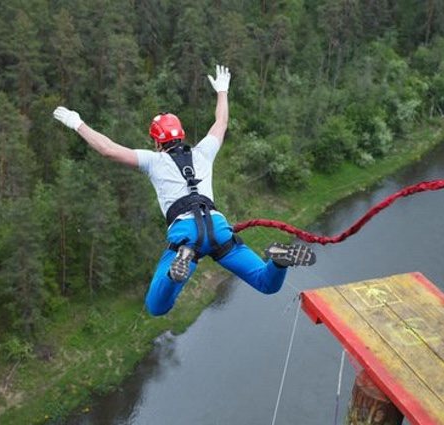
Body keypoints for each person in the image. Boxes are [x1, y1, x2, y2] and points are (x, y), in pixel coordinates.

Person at [53, 65, 315, 316]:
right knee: (266, 284)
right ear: (182, 134)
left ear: (157, 142)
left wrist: (77, 124)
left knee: (157, 306)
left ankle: (174, 270)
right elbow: (221, 122)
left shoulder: (154, 161)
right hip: (218, 227)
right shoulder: (203, 153)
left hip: (185, 234)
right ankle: (279, 261)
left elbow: (108, 149)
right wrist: (222, 91)